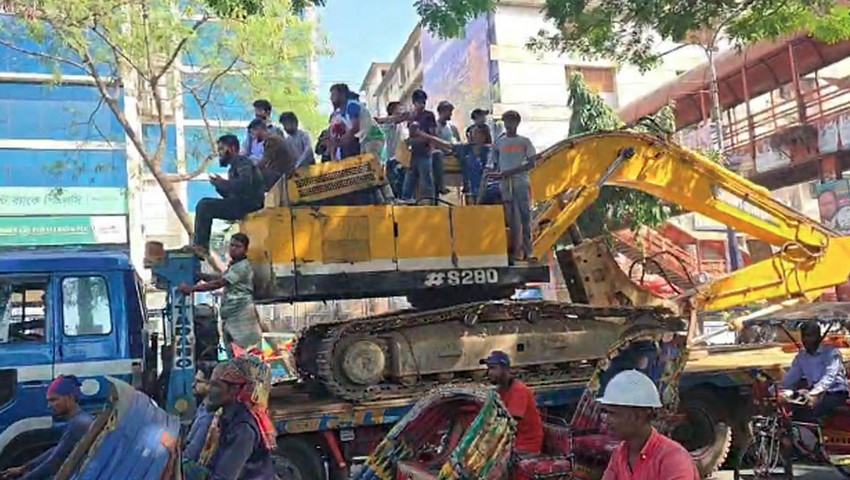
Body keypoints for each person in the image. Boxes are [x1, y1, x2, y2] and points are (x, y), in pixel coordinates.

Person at [184, 355, 277, 480]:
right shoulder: (223, 417)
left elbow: (223, 477)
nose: (209, 390)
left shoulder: (243, 428)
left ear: (234, 390)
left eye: (215, 385)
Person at [599, 370, 699, 480]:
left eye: (612, 413)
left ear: (638, 416)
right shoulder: (619, 454)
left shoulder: (673, 458)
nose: (606, 419)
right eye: (605, 412)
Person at [181, 233, 264, 355]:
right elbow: (220, 278)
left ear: (245, 250)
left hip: (242, 319)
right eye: (232, 245)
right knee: (234, 360)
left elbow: (219, 283)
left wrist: (191, 289)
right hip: (231, 320)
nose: (234, 249)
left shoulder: (242, 267)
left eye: (238, 246)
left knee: (246, 359)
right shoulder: (234, 266)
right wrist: (202, 276)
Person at [0, 375, 94, 480]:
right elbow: (57, 450)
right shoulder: (78, 420)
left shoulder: (79, 424)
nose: (49, 405)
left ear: (70, 398)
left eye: (53, 400)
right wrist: (24, 468)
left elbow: (53, 463)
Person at [193, 136, 264, 255]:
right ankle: (200, 245)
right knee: (205, 206)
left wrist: (224, 183)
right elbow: (232, 194)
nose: (220, 153)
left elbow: (244, 184)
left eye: (221, 149)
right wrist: (219, 186)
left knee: (204, 206)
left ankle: (201, 246)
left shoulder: (242, 162)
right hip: (241, 204)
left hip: (250, 204)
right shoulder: (233, 168)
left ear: (232, 148)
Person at [490, 110, 536, 263]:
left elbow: (531, 163)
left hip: (520, 182)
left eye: (511, 121)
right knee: (511, 219)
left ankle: (528, 252)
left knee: (525, 218)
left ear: (517, 123)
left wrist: (509, 172)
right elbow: (493, 163)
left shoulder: (524, 141)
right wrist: (494, 174)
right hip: (505, 184)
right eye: (506, 121)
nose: (509, 125)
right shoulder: (499, 142)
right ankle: (514, 253)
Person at [481, 350, 543, 455]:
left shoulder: (519, 390)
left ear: (505, 369)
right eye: (489, 369)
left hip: (526, 445)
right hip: (512, 442)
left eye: (493, 368)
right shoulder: (501, 390)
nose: (489, 373)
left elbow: (509, 424)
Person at [783, 322, 849, 417]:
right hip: (813, 393)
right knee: (793, 412)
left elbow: (829, 377)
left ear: (818, 336)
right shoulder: (801, 356)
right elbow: (792, 376)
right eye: (804, 336)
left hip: (835, 393)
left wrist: (814, 393)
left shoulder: (831, 353)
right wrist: (778, 390)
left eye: (809, 336)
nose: (806, 339)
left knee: (811, 413)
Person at [402, 89, 438, 204]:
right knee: (409, 180)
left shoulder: (429, 115)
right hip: (413, 153)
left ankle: (429, 203)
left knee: (426, 180)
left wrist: (420, 142)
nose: (422, 104)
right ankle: (406, 201)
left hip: (425, 152)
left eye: (423, 102)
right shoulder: (411, 117)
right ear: (414, 103)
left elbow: (432, 134)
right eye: (419, 102)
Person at [249, 118, 296, 191]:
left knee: (254, 177)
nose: (253, 137)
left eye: (253, 133)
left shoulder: (272, 140)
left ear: (259, 129)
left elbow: (264, 162)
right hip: (281, 172)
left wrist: (250, 170)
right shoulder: (272, 138)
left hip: (284, 175)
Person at [184, 361, 217, 462]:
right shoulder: (202, 407)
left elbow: (192, 453)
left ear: (209, 385)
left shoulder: (207, 417)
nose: (193, 385)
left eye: (198, 381)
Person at [433, 100, 460, 195]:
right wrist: (446, 149)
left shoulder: (452, 128)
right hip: (441, 153)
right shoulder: (435, 126)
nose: (451, 114)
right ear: (442, 112)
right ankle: (441, 186)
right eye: (449, 112)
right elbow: (435, 143)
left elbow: (458, 141)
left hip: (453, 152)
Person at [328, 83, 361, 160]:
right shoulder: (339, 114)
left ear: (342, 95)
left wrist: (338, 143)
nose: (331, 98)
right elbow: (334, 136)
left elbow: (354, 129)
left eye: (333, 94)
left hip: (370, 141)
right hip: (353, 145)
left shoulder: (352, 105)